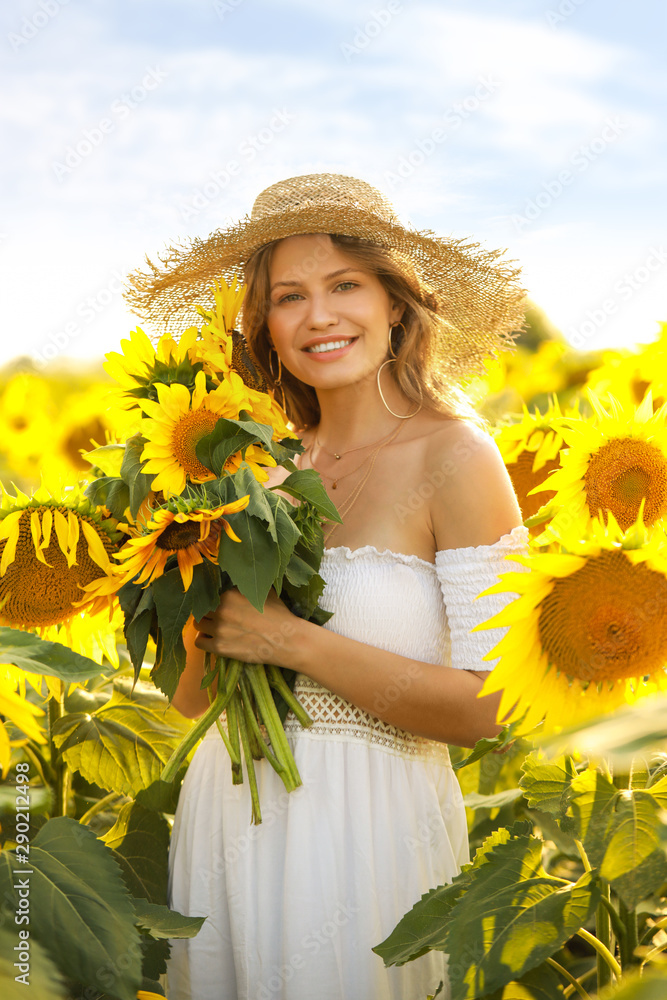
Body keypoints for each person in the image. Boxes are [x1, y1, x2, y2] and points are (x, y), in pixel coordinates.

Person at [125, 173, 530, 1000]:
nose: (318, 317)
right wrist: (176, 556)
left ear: (394, 302)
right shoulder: (251, 469)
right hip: (229, 817)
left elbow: (490, 711)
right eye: (289, 297)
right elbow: (192, 698)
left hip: (371, 828)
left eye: (345, 285)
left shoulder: (454, 458)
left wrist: (293, 642)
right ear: (264, 326)